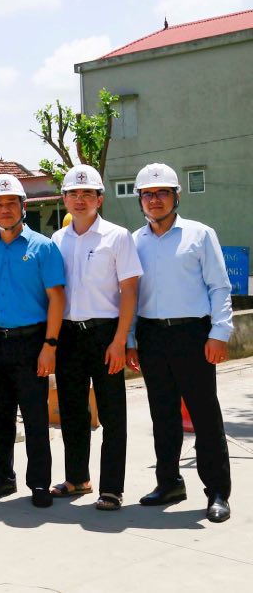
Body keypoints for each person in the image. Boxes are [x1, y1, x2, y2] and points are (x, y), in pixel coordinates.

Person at [127, 163, 233, 523]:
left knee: (204, 415)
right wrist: (130, 340)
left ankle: (217, 491)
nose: (154, 200)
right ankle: (169, 482)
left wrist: (220, 332)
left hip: (193, 335)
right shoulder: (135, 241)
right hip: (152, 336)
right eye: (147, 194)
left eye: (161, 193)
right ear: (140, 200)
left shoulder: (200, 235)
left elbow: (219, 286)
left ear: (176, 196)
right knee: (164, 415)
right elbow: (131, 295)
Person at [50, 165, 142, 511]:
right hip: (70, 336)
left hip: (106, 334)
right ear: (65, 199)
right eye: (73, 193)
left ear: (99, 199)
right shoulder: (57, 240)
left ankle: (112, 489)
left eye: (87, 193)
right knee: (72, 412)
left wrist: (120, 341)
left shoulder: (118, 237)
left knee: (112, 414)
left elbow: (130, 292)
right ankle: (77, 479)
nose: (80, 199)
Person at [0, 174, 65, 508]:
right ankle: (2, 477)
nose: (5, 209)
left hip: (33, 343)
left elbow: (57, 298)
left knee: (35, 417)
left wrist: (50, 345)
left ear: (23, 206)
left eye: (11, 202)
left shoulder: (43, 246)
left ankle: (39, 483)